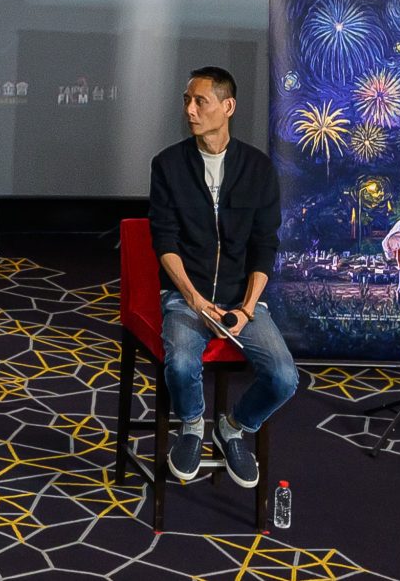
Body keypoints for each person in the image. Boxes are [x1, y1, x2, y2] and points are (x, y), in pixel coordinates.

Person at [148, 65, 297, 488]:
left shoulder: (258, 168)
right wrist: (194, 299)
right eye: (187, 101)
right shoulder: (168, 165)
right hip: (186, 296)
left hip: (242, 300)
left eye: (201, 101)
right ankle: (192, 426)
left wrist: (246, 309)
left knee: (284, 378)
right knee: (180, 364)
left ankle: (233, 428)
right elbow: (164, 241)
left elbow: (265, 245)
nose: (190, 110)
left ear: (227, 107)